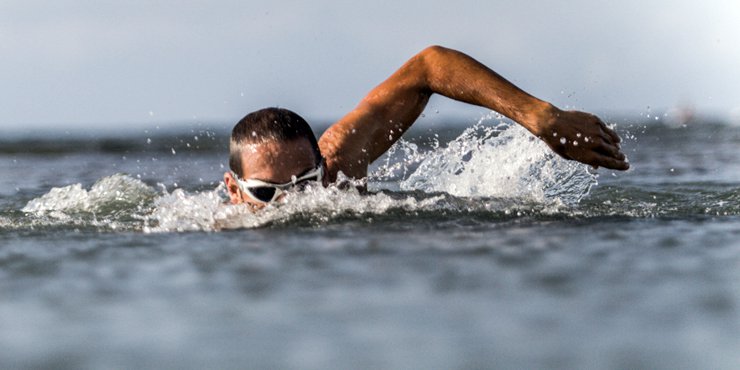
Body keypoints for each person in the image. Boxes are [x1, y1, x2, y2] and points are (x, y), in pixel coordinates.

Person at [224, 45, 629, 207]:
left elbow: (430, 65)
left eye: (306, 183)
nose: (289, 202)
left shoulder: (340, 161)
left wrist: (540, 117)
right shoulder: (217, 231)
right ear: (235, 191)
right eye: (265, 192)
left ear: (324, 167)